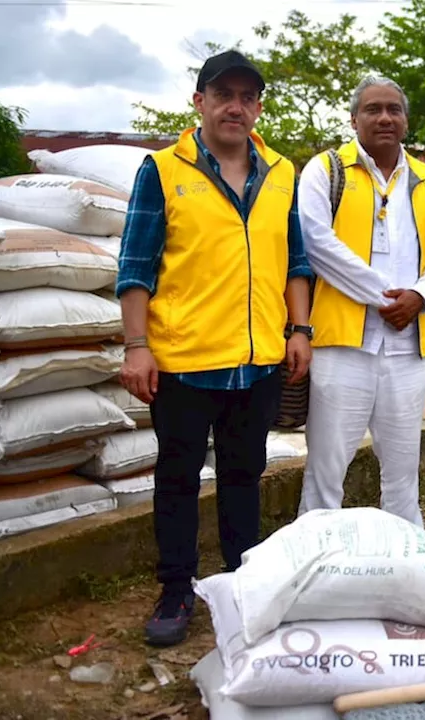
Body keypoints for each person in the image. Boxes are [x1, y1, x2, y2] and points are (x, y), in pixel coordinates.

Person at [116, 50, 313, 647]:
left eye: (247, 97)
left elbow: (296, 260)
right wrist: (136, 346)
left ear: (257, 107)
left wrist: (299, 330)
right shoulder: (163, 169)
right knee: (177, 478)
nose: (236, 107)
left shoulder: (282, 172)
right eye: (223, 94)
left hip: (256, 362)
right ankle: (176, 588)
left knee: (243, 475)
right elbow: (135, 265)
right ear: (199, 101)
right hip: (182, 360)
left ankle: (241, 582)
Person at [295, 76, 425, 524]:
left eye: (394, 109)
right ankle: (314, 570)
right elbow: (316, 244)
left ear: (406, 121)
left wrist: (421, 296)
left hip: (408, 351)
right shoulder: (325, 171)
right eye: (373, 109)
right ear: (353, 119)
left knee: (403, 472)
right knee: (327, 469)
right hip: (342, 346)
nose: (385, 117)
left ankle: (404, 574)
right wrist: (386, 297)